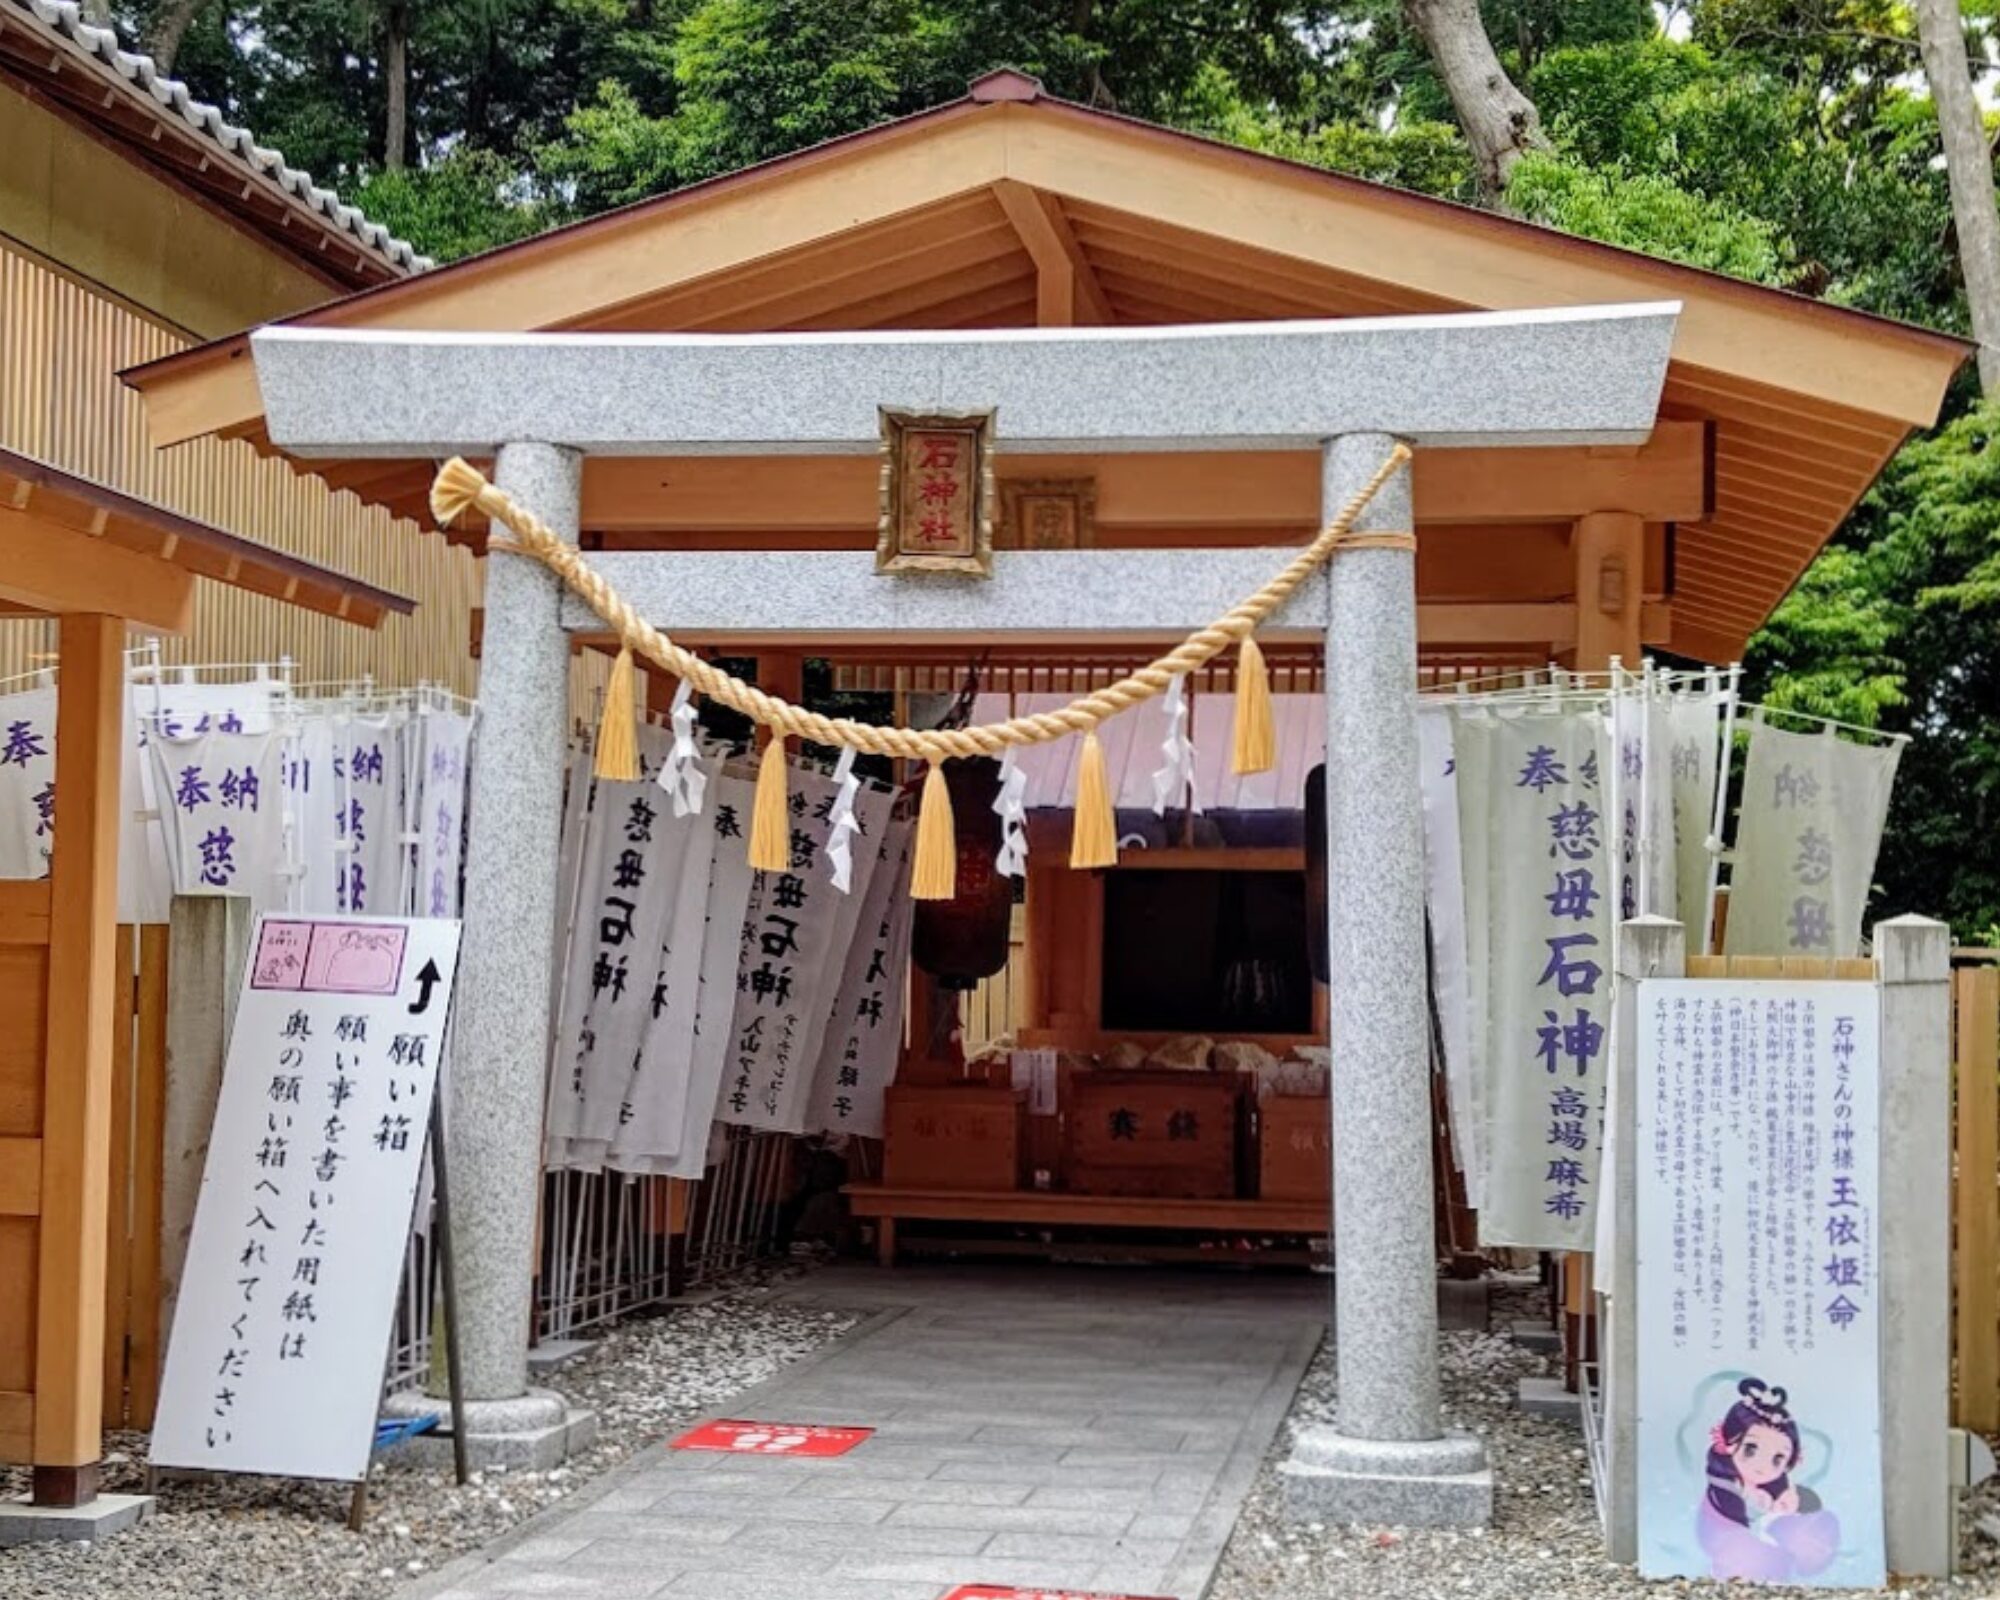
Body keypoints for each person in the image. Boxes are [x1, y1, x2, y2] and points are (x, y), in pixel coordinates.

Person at [1696, 1377, 1840, 1580]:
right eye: (1751, 1449)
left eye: (1778, 1458)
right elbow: (1732, 1521)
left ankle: (1804, 1555)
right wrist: (1759, 1512)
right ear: (1728, 1442)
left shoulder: (1778, 1483)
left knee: (1805, 1527)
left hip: (1772, 1541)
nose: (1762, 1467)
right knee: (1749, 1554)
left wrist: (1795, 1499)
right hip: (1731, 1541)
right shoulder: (1723, 1485)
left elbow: (1806, 1505)